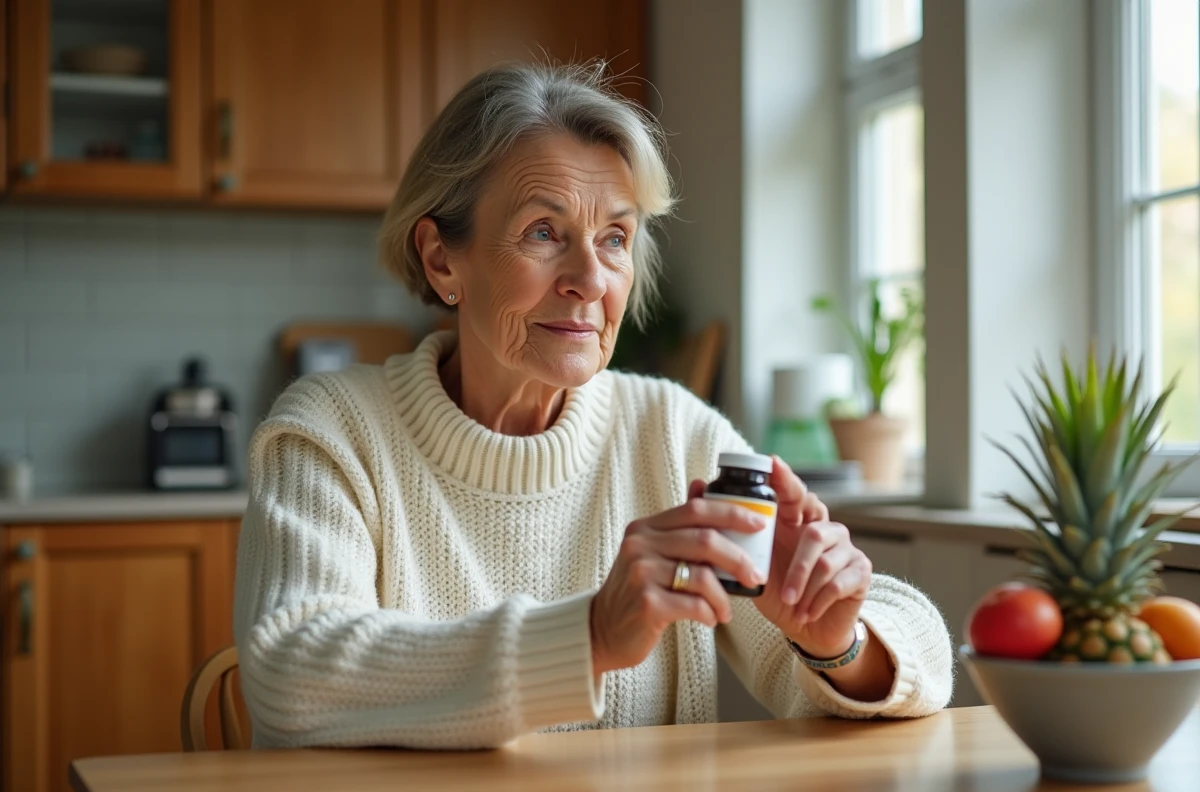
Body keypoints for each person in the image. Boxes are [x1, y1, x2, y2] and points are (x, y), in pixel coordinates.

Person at [233, 62, 953, 750]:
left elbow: (920, 647)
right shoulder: (333, 428)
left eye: (615, 238)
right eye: (544, 233)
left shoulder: (671, 434)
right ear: (441, 259)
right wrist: (589, 637)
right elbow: (290, 673)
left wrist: (839, 642)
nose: (589, 278)